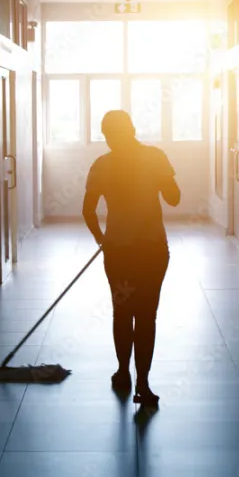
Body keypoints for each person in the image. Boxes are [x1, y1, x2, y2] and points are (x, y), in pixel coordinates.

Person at [82, 110, 181, 407]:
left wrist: (103, 240)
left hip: (119, 252)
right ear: (133, 129)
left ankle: (123, 372)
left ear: (109, 136)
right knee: (146, 316)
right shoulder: (155, 157)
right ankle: (144, 384)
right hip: (151, 250)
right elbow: (175, 198)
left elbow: (87, 211)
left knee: (122, 312)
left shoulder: (101, 165)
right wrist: (163, 180)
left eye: (109, 135)